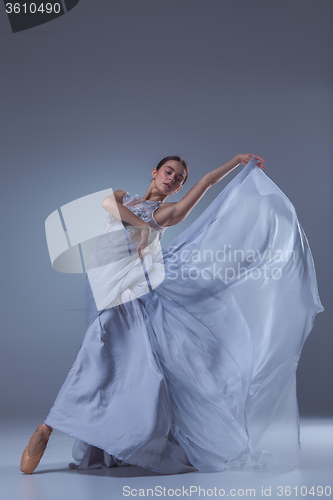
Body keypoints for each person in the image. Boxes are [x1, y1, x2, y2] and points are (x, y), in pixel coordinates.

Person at [20, 153, 324, 475]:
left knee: (100, 351)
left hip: (130, 292)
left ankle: (48, 427)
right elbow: (108, 203)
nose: (173, 179)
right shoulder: (124, 197)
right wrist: (143, 228)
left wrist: (237, 162)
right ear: (154, 172)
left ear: (179, 188)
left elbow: (206, 181)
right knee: (108, 358)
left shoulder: (167, 213)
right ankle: (96, 432)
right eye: (169, 172)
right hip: (100, 284)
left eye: (179, 178)